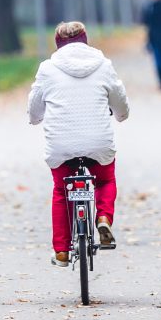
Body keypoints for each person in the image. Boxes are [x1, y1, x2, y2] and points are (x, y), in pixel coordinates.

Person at [27, 21, 130, 268]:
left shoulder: (47, 69)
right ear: (86, 40)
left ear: (57, 43)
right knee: (104, 179)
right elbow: (119, 100)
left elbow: (34, 108)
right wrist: (121, 115)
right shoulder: (103, 66)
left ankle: (61, 250)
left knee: (61, 191)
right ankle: (103, 217)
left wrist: (36, 118)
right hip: (98, 143)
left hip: (61, 146)